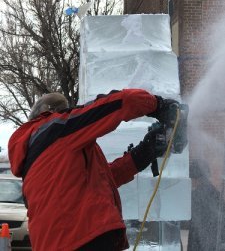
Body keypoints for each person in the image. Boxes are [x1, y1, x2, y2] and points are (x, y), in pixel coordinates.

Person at [8, 88, 177, 251]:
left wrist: (144, 153)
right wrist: (159, 105)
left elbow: (101, 179)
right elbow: (122, 102)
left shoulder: (38, 156)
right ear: (51, 112)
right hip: (80, 237)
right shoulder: (57, 128)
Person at [188, 159, 225, 251]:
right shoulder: (216, 193)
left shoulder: (195, 196)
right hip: (215, 244)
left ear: (194, 178)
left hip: (201, 244)